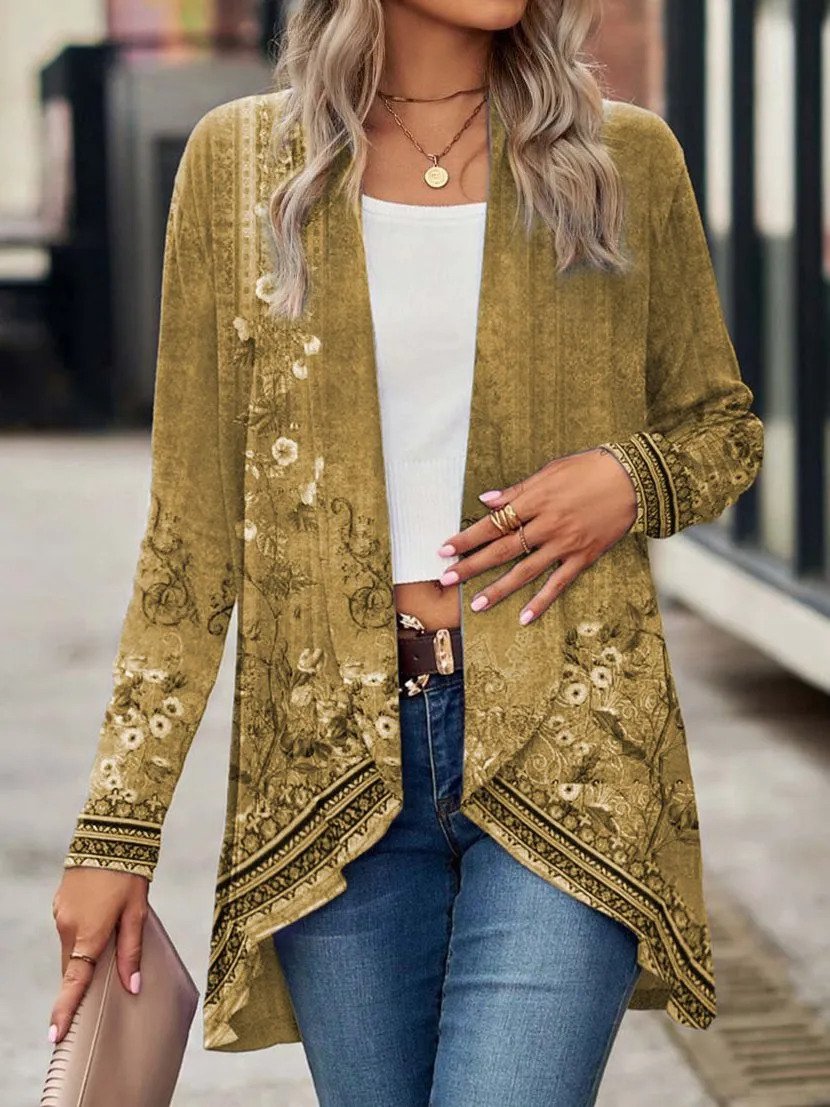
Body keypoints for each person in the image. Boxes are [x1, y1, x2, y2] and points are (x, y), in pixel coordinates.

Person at [49, 1, 764, 1104]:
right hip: (329, 772)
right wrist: (117, 832)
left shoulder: (618, 159)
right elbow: (190, 533)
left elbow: (720, 430)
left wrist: (628, 478)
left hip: (568, 748)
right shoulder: (239, 168)